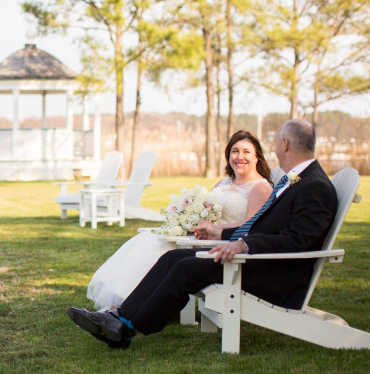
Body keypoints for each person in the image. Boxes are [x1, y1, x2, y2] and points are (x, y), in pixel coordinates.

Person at [68, 119, 338, 349]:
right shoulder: (298, 179)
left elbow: (298, 241)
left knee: (186, 267)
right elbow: (264, 227)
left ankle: (126, 328)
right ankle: (121, 316)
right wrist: (227, 234)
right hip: (259, 261)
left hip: (271, 274)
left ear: (285, 144)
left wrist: (244, 245)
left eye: (277, 141)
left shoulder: (314, 186)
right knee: (174, 257)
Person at [87, 130, 273, 310]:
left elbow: (250, 226)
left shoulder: (259, 188)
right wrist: (189, 218)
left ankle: (127, 305)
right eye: (235, 151)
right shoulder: (225, 182)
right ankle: (124, 300)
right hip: (202, 236)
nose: (239, 157)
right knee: (149, 238)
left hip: (221, 243)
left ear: (257, 157)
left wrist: (214, 227)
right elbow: (205, 206)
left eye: (246, 152)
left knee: (161, 249)